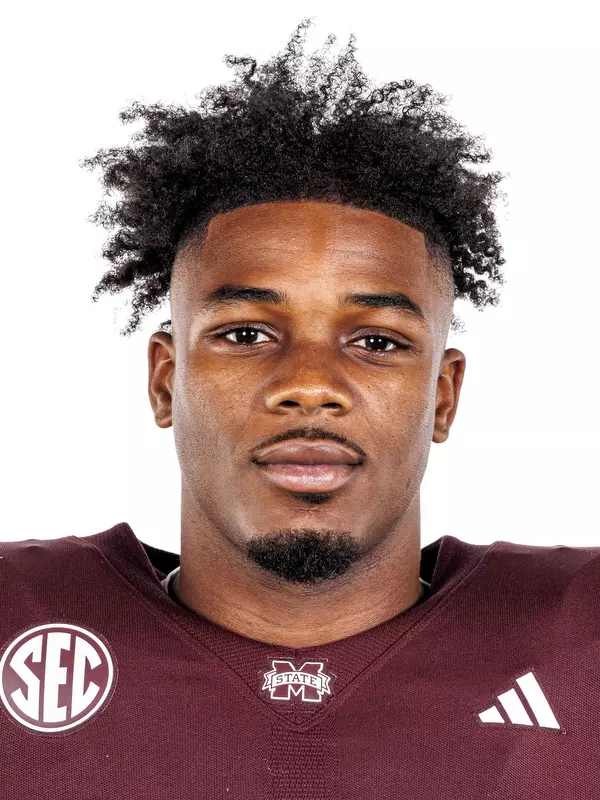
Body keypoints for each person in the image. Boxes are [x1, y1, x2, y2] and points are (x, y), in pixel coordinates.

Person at [1, 18, 597, 799]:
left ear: (444, 396)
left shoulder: (580, 637)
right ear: (164, 380)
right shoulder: (20, 616)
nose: (310, 384)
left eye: (378, 342)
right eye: (247, 333)